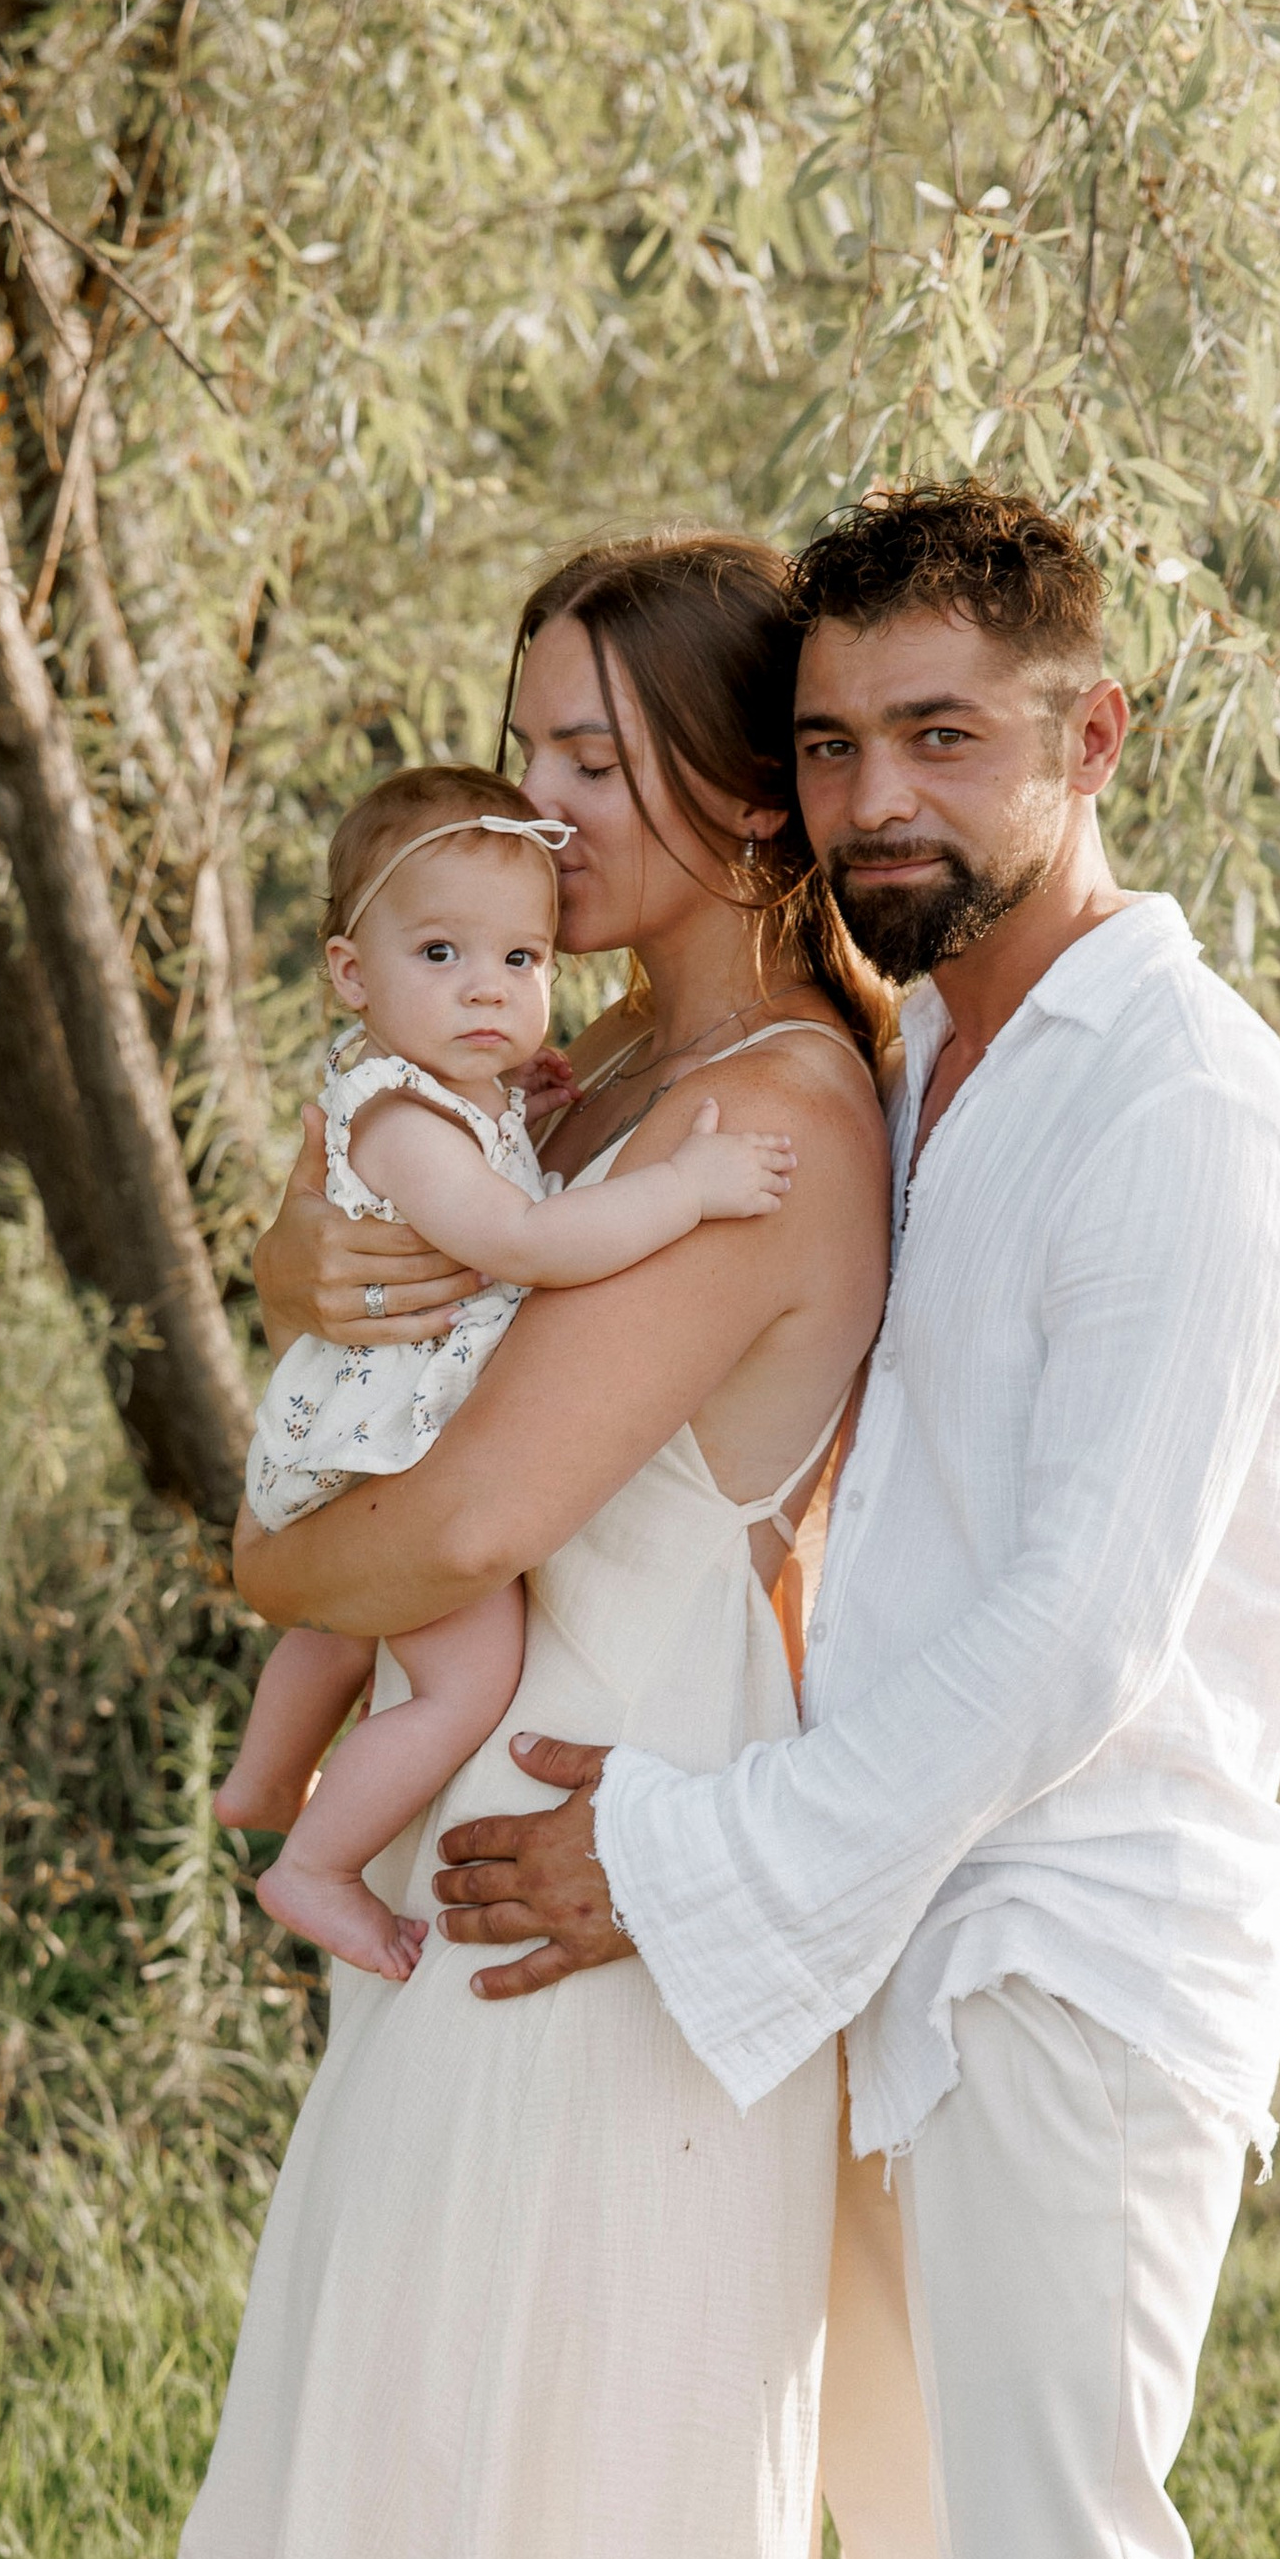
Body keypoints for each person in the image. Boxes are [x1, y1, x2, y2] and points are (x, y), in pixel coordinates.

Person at [262, 484, 1280, 2559]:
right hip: (854, 1907)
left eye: (943, 737)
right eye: (847, 738)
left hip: (1066, 1933)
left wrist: (678, 1855)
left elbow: (1071, 1642)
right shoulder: (914, 1060)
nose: (886, 789)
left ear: (1084, 738)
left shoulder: (1187, 1113)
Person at [142, 534, 892, 2559]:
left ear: (735, 789)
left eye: (596, 763)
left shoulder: (774, 1120)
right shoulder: (564, 1104)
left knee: (565, 2500)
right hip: (491, 1910)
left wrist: (258, 1559)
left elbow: (446, 1524)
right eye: (519, 753)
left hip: (615, 1914)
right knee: (431, 2468)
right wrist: (298, 1387)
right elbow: (381, 1399)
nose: (541, 811)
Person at [216, 762, 796, 1980]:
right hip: (398, 1441)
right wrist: (681, 1188)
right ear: (348, 975)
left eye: (521, 962)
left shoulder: (444, 1095)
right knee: (462, 1681)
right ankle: (313, 1864)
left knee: (339, 1625)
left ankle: (265, 1778)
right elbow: (522, 1243)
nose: (487, 987)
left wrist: (508, 1098)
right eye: (439, 955)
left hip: (364, 1437)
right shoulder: (400, 1119)